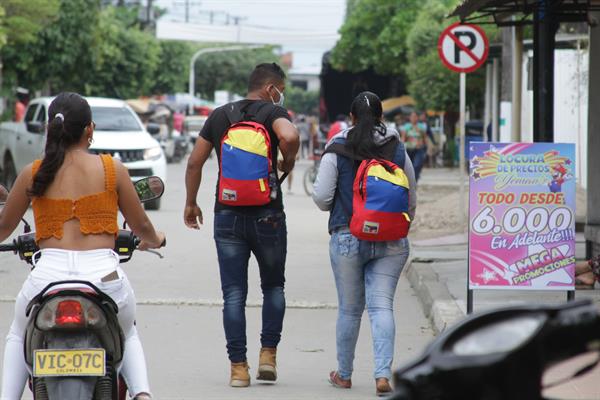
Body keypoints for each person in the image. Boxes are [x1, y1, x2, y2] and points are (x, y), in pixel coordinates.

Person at [0, 93, 165, 400]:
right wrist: (156, 239)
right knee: (127, 332)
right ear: (90, 129)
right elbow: (142, 227)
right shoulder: (112, 169)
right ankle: (142, 394)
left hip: (46, 279)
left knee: (17, 333)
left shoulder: (33, 173)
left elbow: (2, 229)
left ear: (51, 129)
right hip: (105, 279)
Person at [184, 63, 299, 388]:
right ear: (270, 88)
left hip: (228, 214)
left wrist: (191, 202)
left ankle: (238, 369)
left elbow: (195, 162)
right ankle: (267, 356)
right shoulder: (274, 113)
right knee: (273, 287)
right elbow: (289, 136)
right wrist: (286, 162)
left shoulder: (221, 115)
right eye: (280, 89)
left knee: (233, 294)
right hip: (269, 215)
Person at [312, 91, 417, 397]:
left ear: (352, 118)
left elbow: (321, 197)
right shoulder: (397, 148)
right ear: (382, 118)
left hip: (348, 236)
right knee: (382, 306)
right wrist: (399, 224)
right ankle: (382, 375)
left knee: (349, 310)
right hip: (392, 240)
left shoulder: (337, 147)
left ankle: (344, 375)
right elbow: (410, 197)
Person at [400, 111, 427, 181]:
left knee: (417, 165)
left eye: (415, 116)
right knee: (409, 167)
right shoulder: (406, 127)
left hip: (419, 149)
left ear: (417, 118)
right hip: (409, 150)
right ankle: (410, 180)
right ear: (410, 118)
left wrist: (425, 147)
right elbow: (403, 138)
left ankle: (415, 179)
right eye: (412, 117)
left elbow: (425, 138)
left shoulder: (422, 127)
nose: (414, 118)